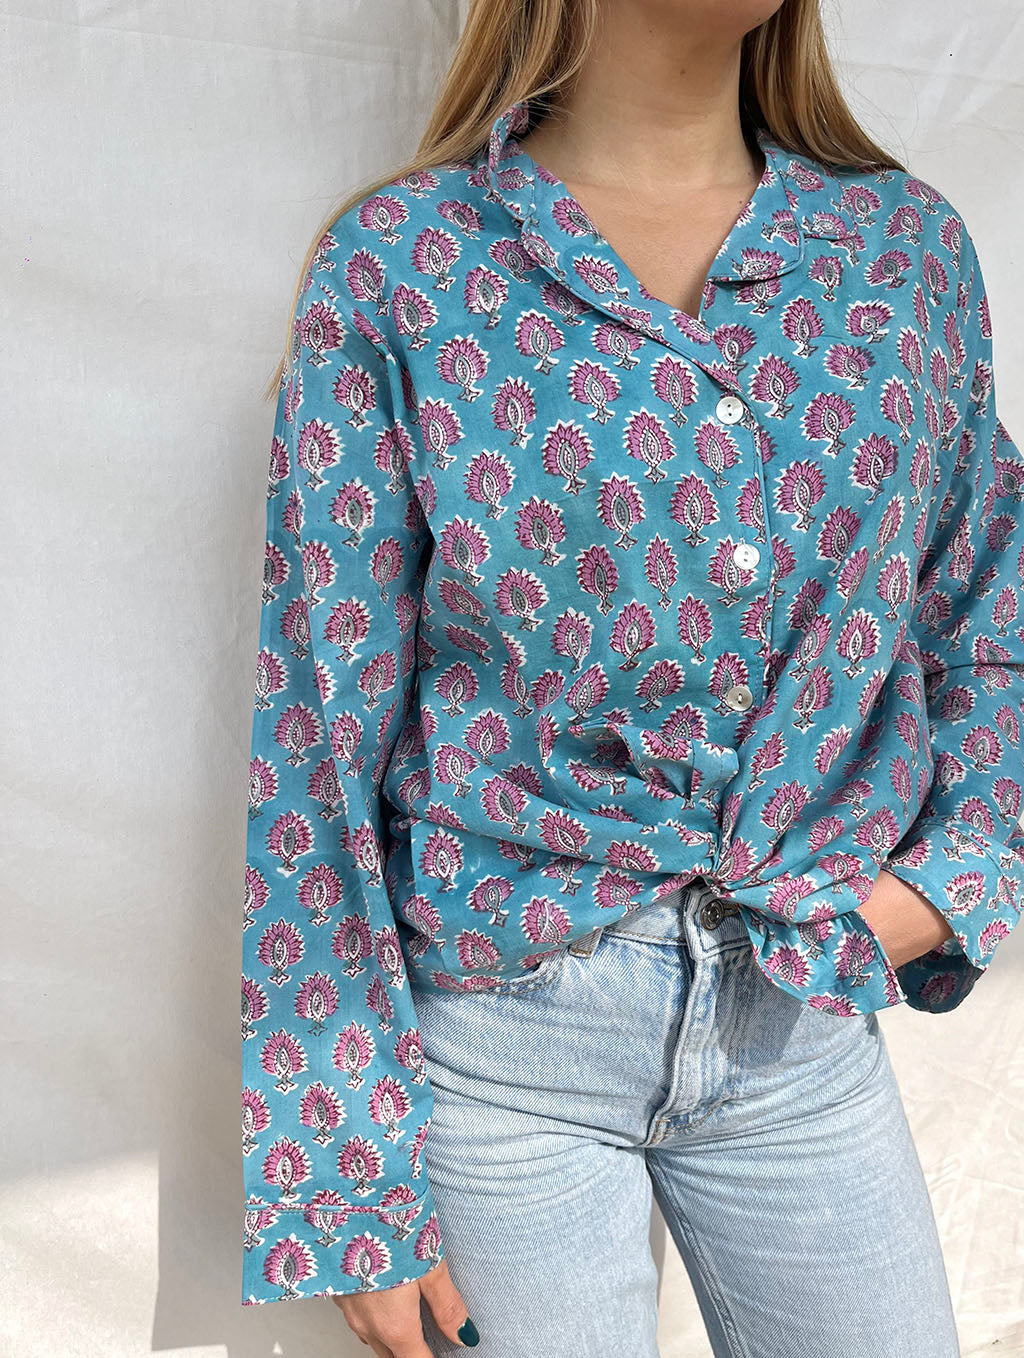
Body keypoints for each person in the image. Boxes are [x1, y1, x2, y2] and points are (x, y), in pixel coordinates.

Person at [240, 0, 1024, 1353]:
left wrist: (944, 885)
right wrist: (346, 1171)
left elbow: (989, 612)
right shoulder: (407, 265)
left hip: (802, 1027)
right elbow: (318, 724)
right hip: (500, 1053)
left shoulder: (902, 253)